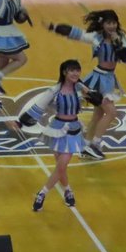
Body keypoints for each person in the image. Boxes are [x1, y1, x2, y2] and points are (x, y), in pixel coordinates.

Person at [44, 10, 126, 160]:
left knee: (98, 115)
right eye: (108, 23)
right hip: (99, 79)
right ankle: (95, 144)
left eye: (114, 23)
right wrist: (54, 27)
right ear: (102, 24)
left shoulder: (122, 38)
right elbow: (76, 33)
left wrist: (118, 44)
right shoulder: (96, 37)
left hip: (109, 78)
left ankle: (85, 145)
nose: (111, 26)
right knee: (111, 113)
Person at [19, 59, 91, 211]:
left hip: (73, 129)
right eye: (72, 70)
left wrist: (93, 96)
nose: (76, 73)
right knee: (61, 167)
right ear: (64, 72)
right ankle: (68, 191)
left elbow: (95, 97)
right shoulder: (54, 91)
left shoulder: (80, 88)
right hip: (57, 129)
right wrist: (21, 121)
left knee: (62, 165)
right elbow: (39, 105)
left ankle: (42, 193)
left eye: (77, 70)